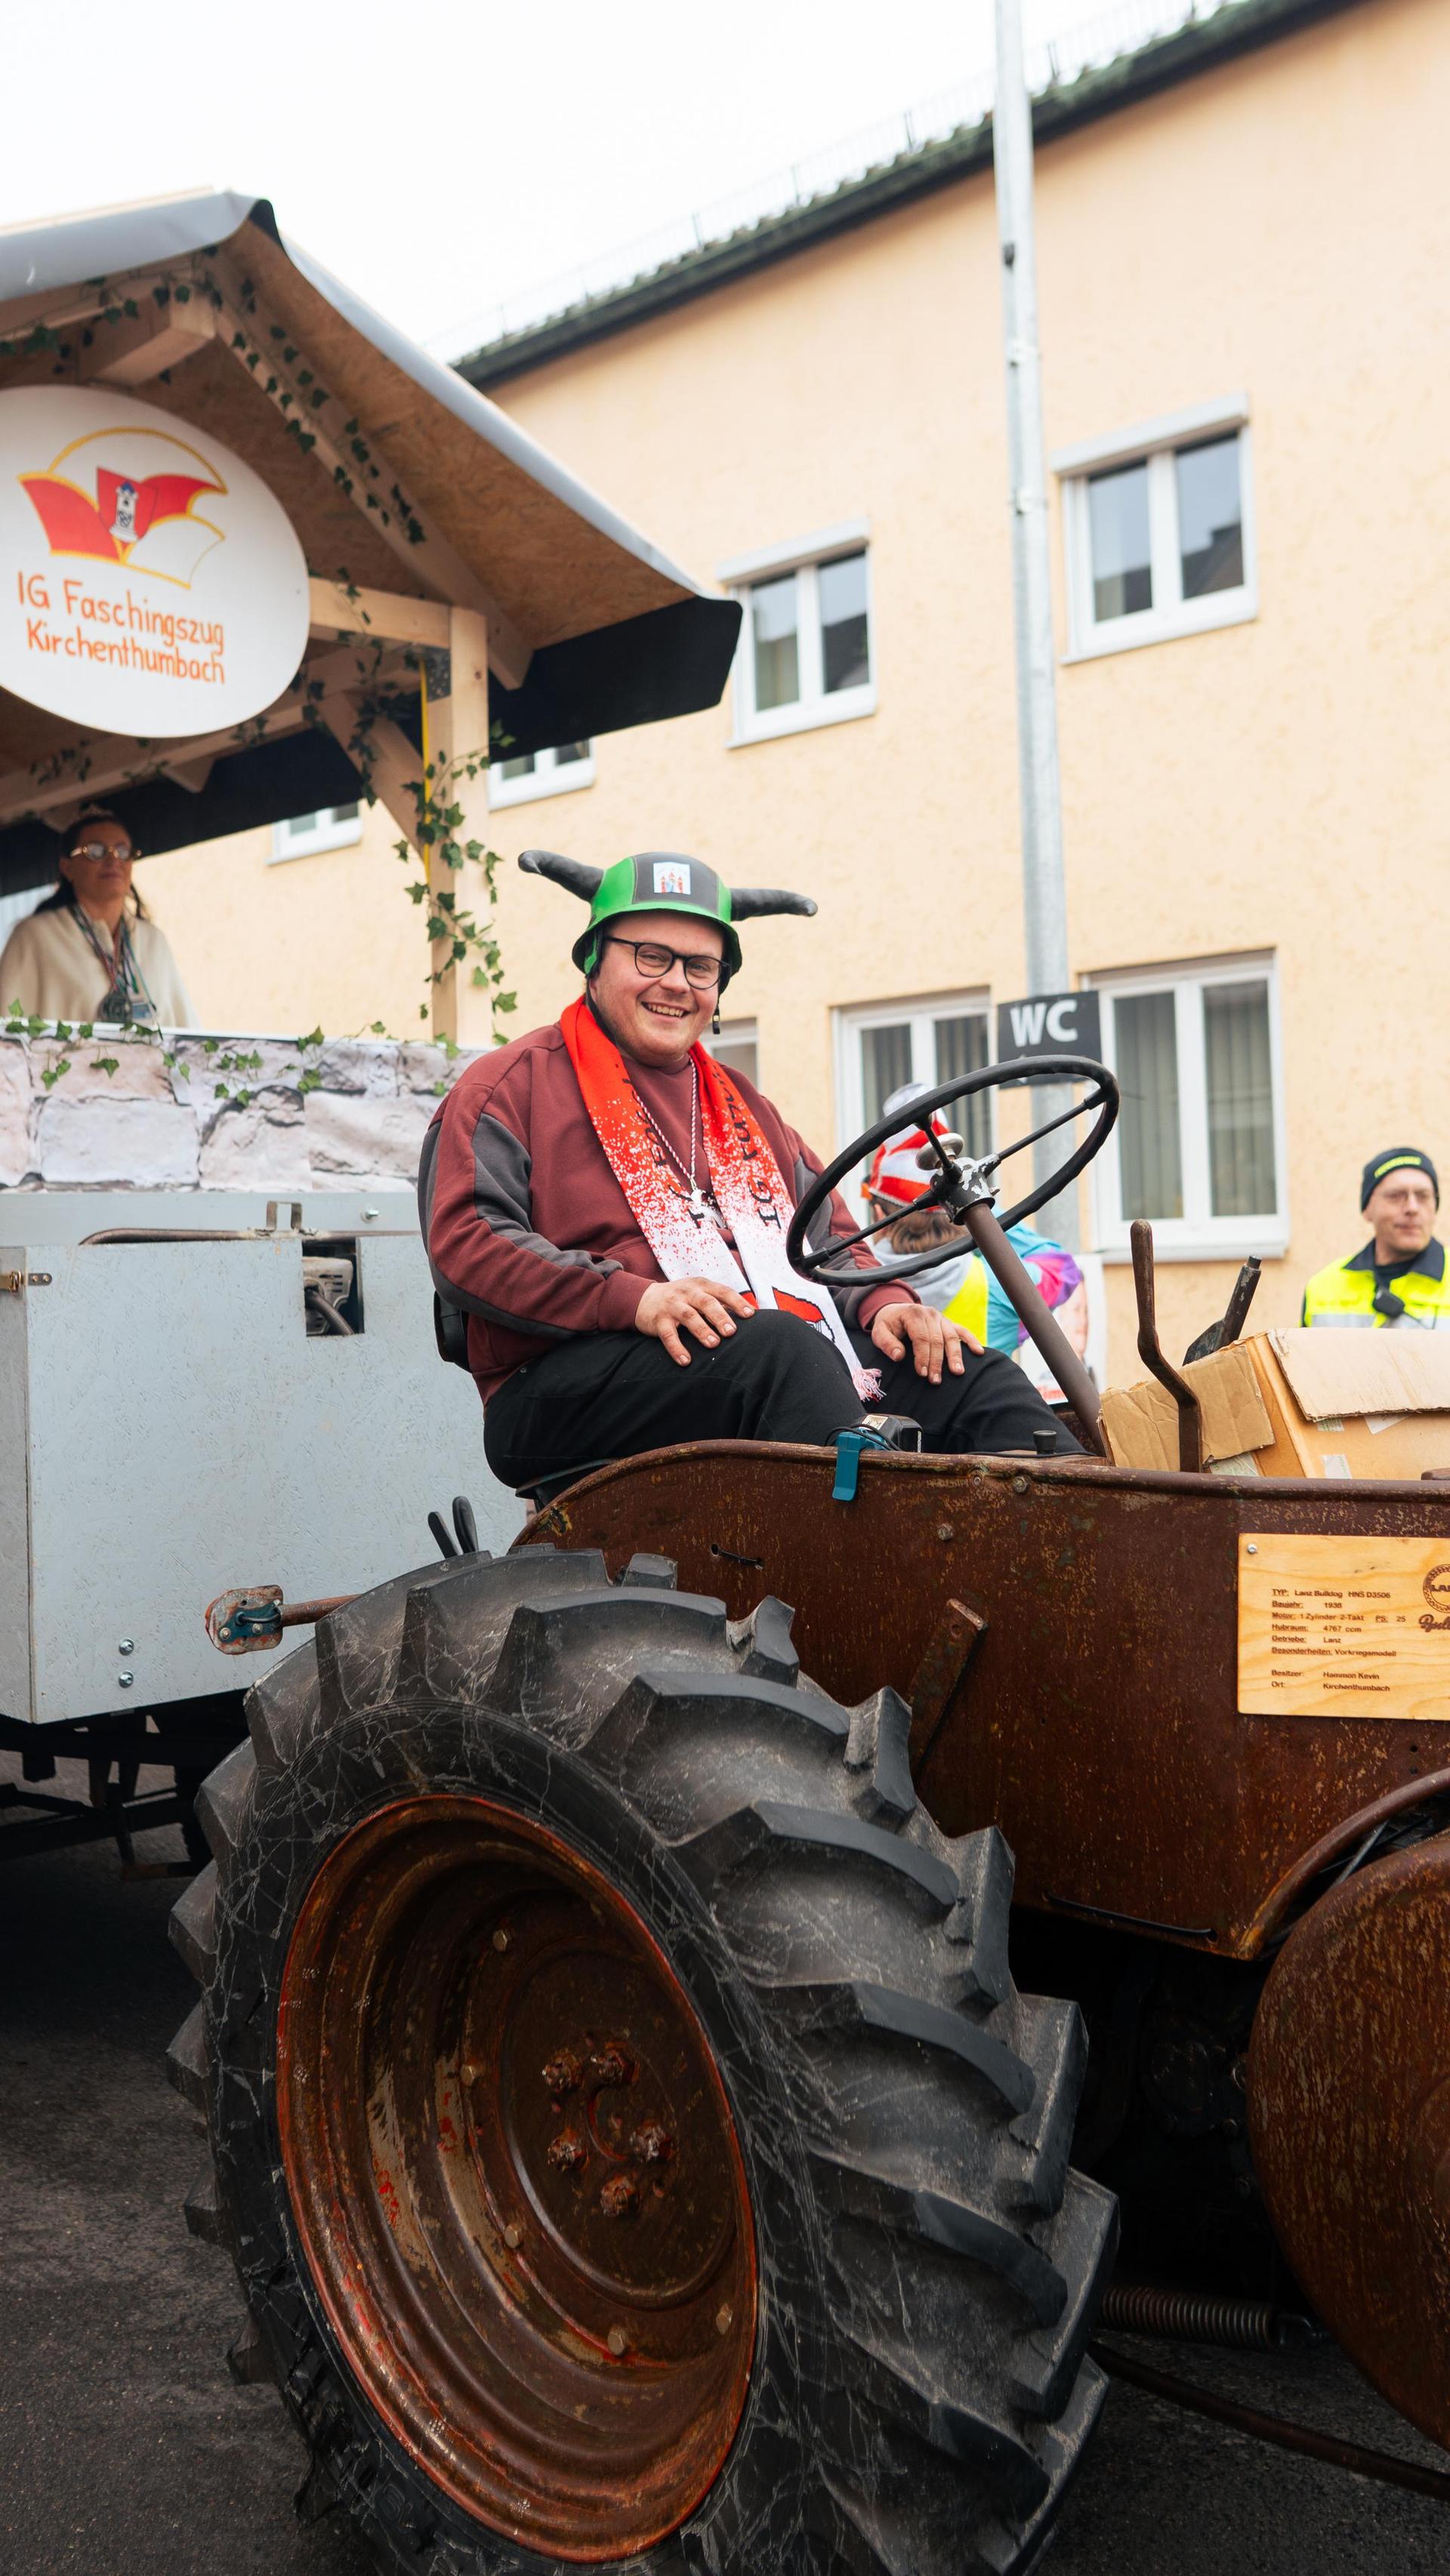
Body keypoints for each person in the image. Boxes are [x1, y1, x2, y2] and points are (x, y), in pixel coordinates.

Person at [421, 849, 1078, 1492]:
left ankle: (1076, 1540)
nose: (676, 983)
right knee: (780, 1350)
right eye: (651, 956)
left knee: (967, 1370)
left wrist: (886, 1305)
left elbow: (831, 1243)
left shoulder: (745, 1108)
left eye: (700, 967)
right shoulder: (508, 1087)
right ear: (593, 959)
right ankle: (877, 1557)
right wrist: (633, 1298)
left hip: (764, 1352)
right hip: (559, 1386)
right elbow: (468, 1243)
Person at [865, 1080, 1090, 1385]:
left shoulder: (853, 1289)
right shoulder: (1002, 1286)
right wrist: (978, 1212)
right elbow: (1063, 1268)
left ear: (879, 1214)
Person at [0, 810, 193, 1027]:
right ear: (67, 867)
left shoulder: (154, 941)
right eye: (95, 851)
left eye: (122, 851)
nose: (113, 860)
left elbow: (187, 1033)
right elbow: (6, 1029)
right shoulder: (35, 937)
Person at [1302, 1145, 1450, 1329]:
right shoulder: (1322, 1287)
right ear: (1367, 1209)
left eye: (1423, 1196)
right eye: (1395, 1196)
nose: (1412, 1208)